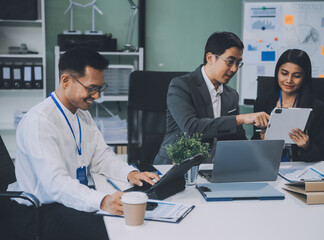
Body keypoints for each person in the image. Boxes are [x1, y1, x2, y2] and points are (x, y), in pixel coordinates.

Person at [7, 47, 160, 240]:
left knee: (128, 220)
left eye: (100, 88)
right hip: (39, 211)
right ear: (65, 80)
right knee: (115, 230)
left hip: (68, 199)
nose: (97, 96)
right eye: (91, 88)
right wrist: (103, 201)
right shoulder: (39, 122)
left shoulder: (82, 115)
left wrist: (130, 173)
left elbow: (101, 157)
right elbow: (56, 184)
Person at [154, 31, 269, 164]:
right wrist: (242, 118)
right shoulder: (180, 86)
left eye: (238, 63)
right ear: (210, 58)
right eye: (230, 62)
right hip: (175, 167)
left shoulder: (231, 95)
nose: (234, 69)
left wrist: (261, 140)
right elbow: (192, 128)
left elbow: (237, 140)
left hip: (213, 170)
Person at [252, 49, 324, 162]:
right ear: (277, 72)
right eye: (284, 73)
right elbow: (254, 143)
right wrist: (262, 141)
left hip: (301, 166)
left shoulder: (318, 108)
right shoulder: (262, 102)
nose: (289, 80)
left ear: (304, 78)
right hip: (268, 162)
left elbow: (323, 152)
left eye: (297, 76)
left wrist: (307, 146)